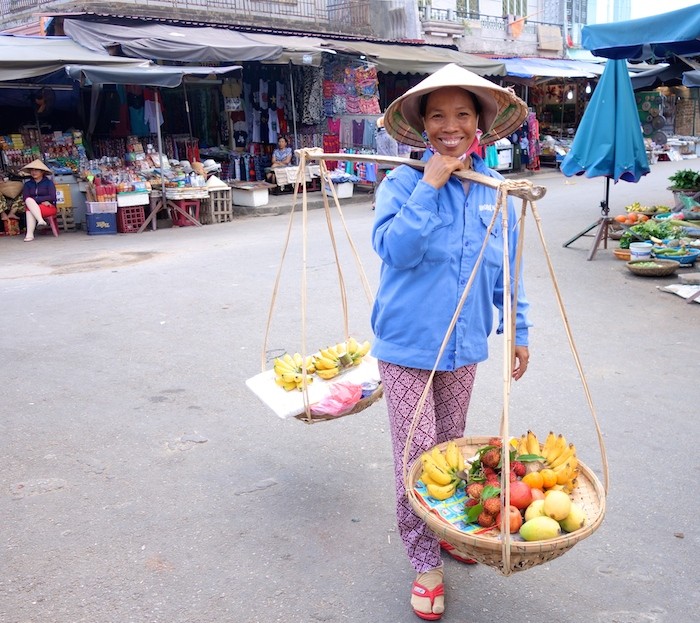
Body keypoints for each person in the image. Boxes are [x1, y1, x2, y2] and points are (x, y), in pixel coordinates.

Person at [370, 63, 531, 621]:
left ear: (480, 123)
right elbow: (396, 251)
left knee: (448, 451)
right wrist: (431, 184)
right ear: (421, 125)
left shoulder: (492, 191)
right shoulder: (400, 184)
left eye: (463, 114)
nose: (450, 126)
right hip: (408, 347)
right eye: (437, 115)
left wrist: (520, 330)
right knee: (415, 458)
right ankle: (424, 561)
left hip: (464, 347)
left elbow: (509, 266)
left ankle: (443, 529)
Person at [20, 159, 57, 242]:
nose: (34, 172)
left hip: (48, 206)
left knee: (29, 209)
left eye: (36, 170)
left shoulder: (49, 183)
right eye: (32, 170)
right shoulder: (27, 184)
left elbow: (52, 197)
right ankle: (40, 221)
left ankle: (29, 234)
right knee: (29, 201)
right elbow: (25, 198)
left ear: (42, 172)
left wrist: (37, 200)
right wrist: (37, 201)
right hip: (33, 205)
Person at [375, 115, 399, 184]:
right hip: (390, 164)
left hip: (381, 163)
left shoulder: (378, 136)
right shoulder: (390, 136)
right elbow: (393, 151)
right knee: (390, 184)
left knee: (379, 185)